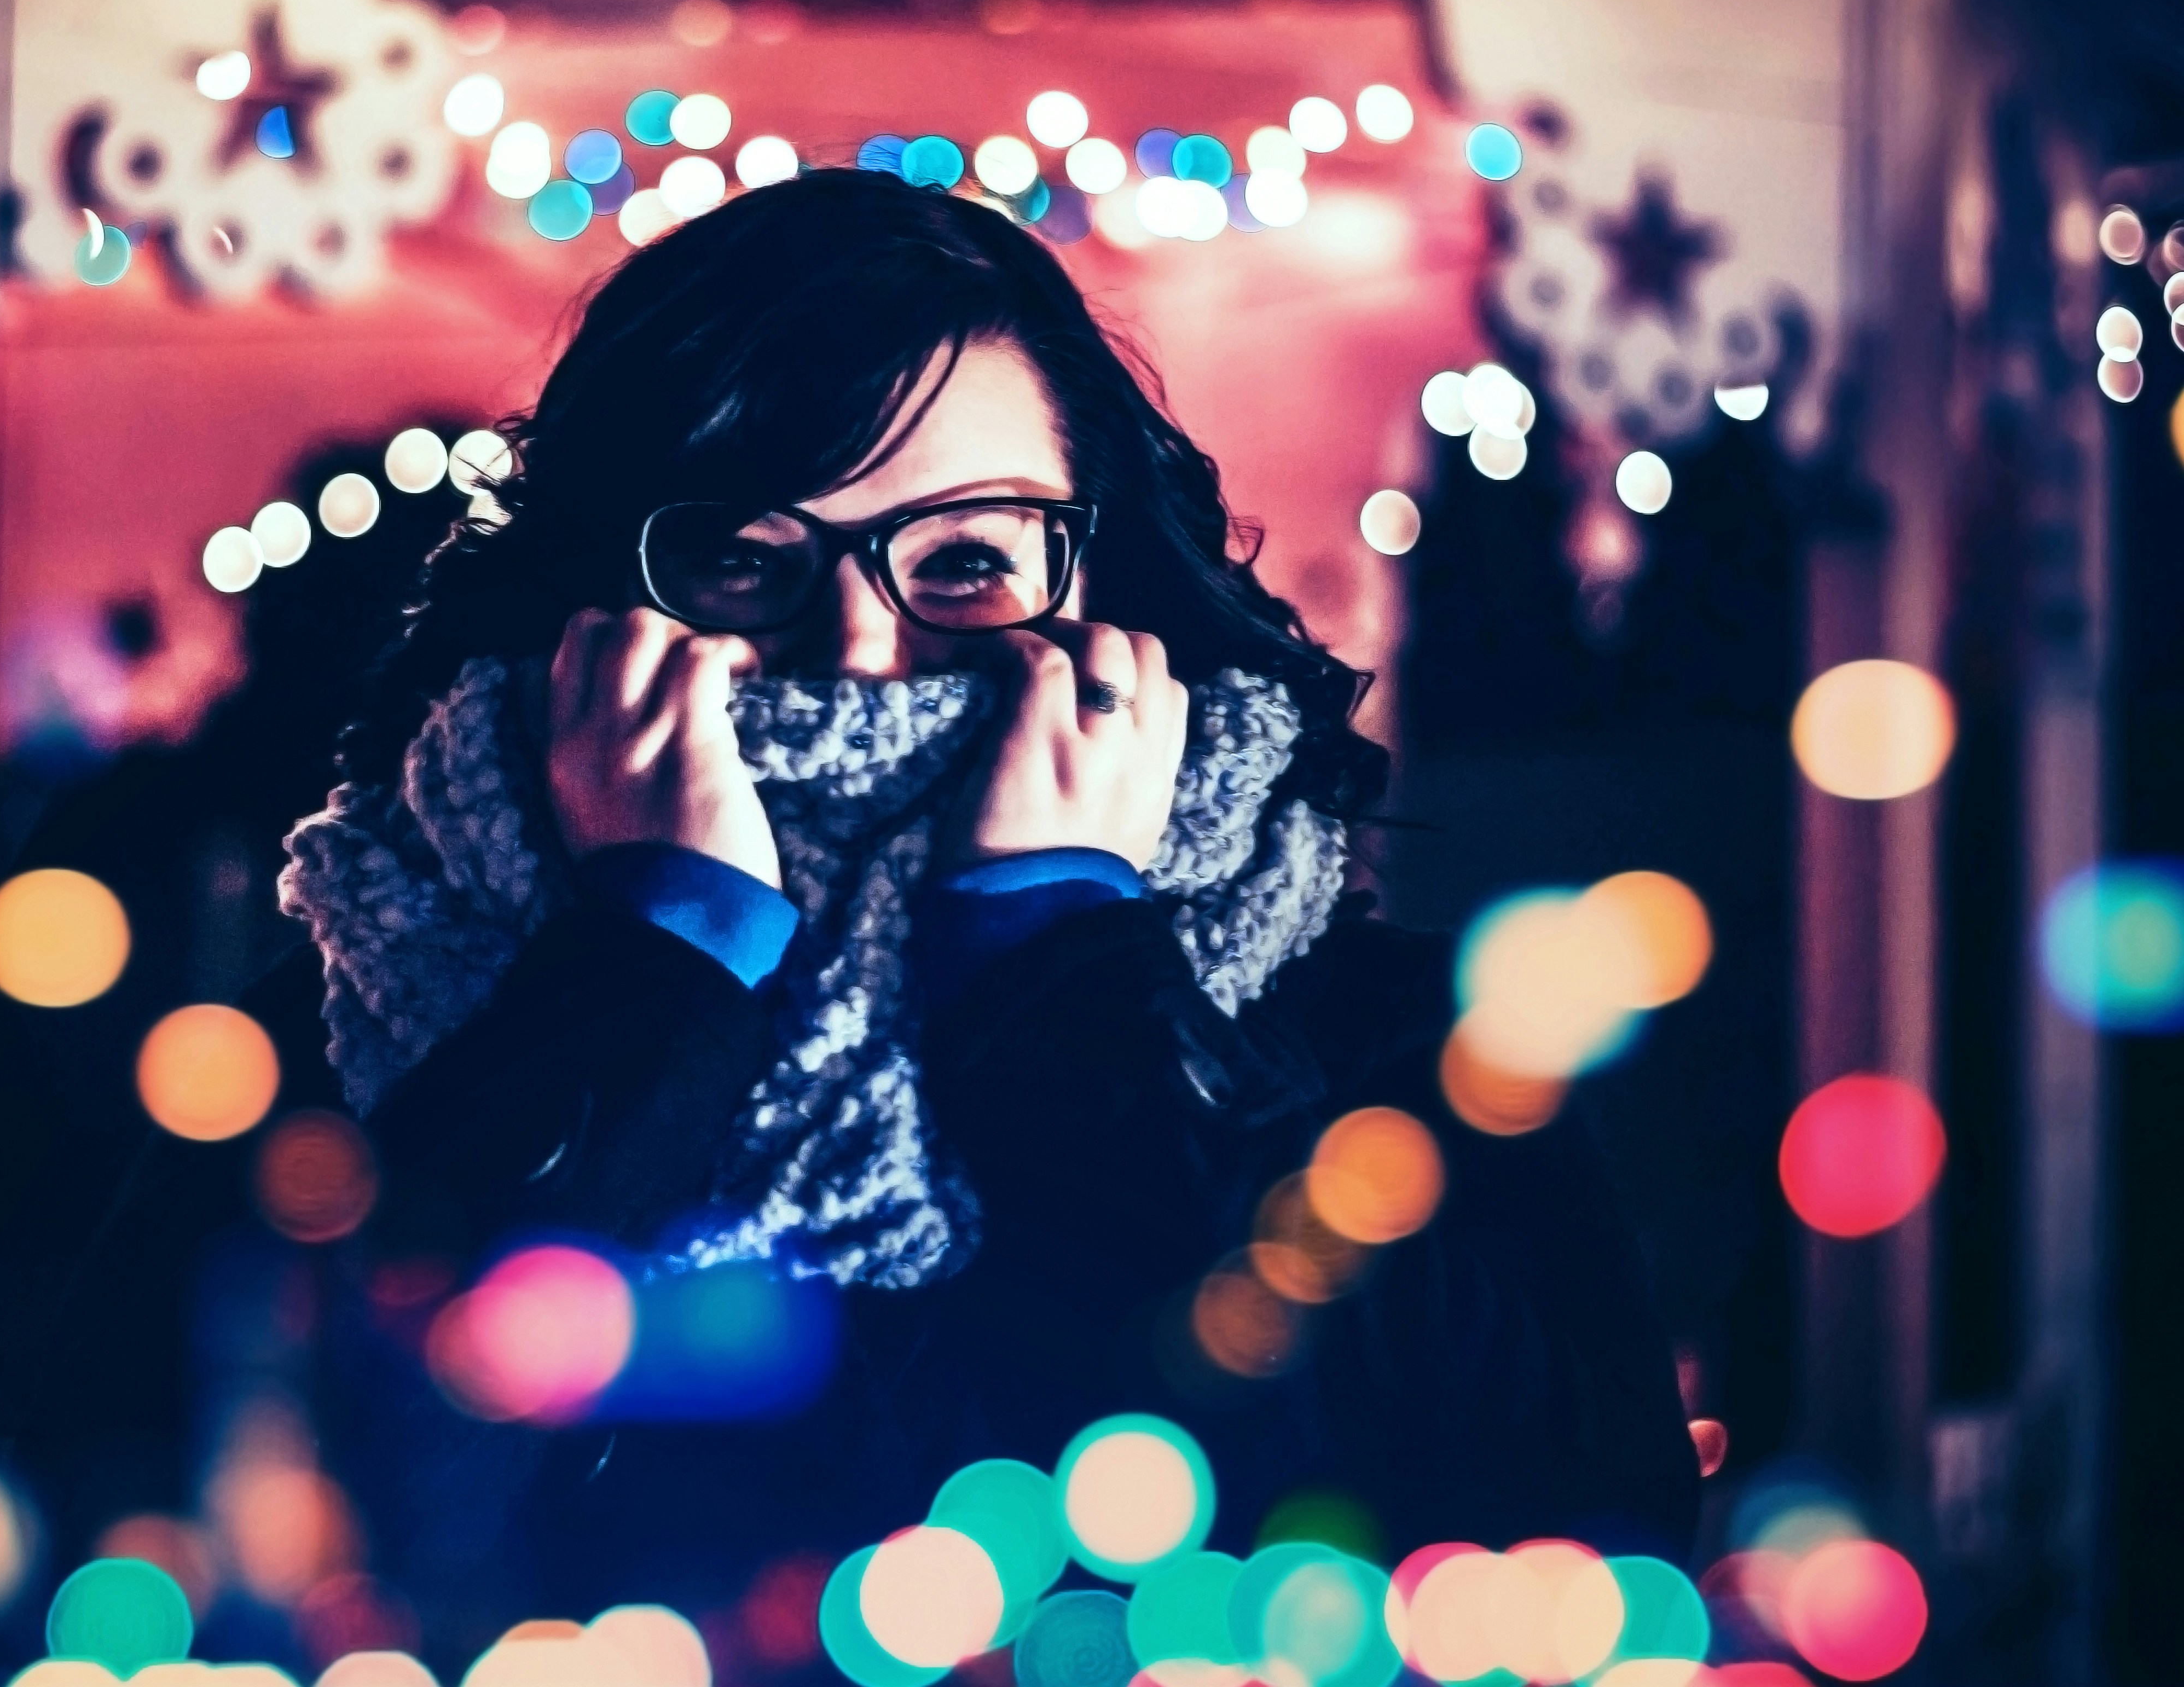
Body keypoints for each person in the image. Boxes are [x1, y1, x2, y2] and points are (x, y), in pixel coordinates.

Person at [262, 168, 1698, 1669]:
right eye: (746, 564)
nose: (863, 649)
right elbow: (323, 1532)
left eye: (965, 562)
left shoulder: (1391, 1057)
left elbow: (1501, 1577)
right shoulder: (357, 1015)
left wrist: (1064, 966)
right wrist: (650, 965)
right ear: (597, 599)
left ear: (1101, 584)